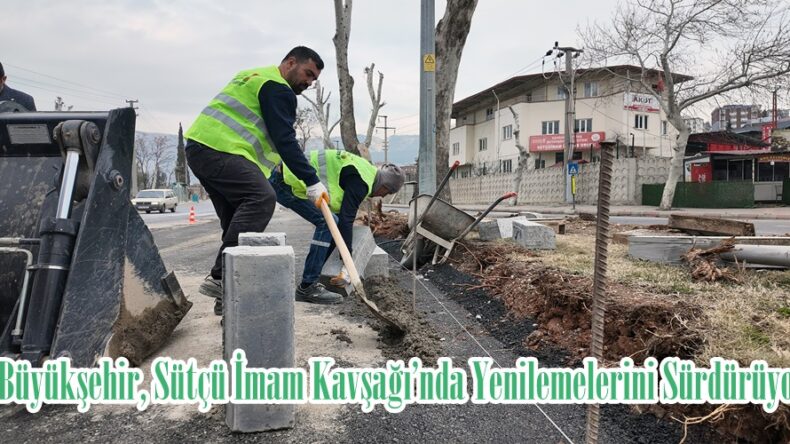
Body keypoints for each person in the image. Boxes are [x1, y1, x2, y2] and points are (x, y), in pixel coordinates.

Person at [184, 46, 333, 314]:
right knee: (262, 198)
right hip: (222, 149)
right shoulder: (278, 88)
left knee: (236, 223)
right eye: (308, 74)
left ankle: (227, 304)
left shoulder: (252, 75)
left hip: (200, 147)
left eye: (314, 80)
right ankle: (220, 278)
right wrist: (311, 180)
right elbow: (284, 140)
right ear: (290, 63)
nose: (309, 83)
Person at [270, 149, 405, 301]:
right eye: (386, 192)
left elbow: (342, 221)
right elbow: (347, 220)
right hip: (286, 180)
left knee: (332, 223)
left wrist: (344, 258)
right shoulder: (362, 181)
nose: (382, 196)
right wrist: (347, 260)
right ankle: (307, 287)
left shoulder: (365, 172)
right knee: (327, 223)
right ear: (385, 185)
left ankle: (316, 278)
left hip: (288, 174)